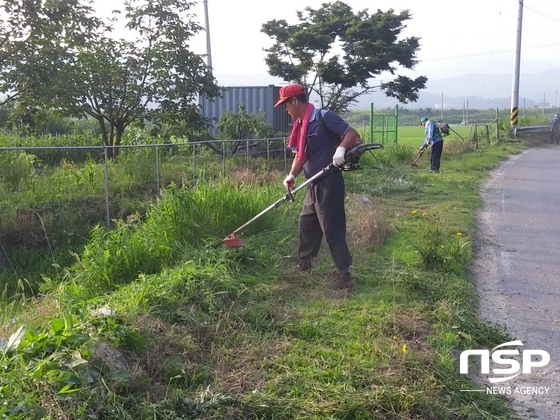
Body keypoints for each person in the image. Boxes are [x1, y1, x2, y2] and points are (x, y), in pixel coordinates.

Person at [274, 83, 361, 290]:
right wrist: (291, 175)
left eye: (286, 105)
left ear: (295, 101)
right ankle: (306, 266)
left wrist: (340, 148)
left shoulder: (322, 117)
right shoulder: (301, 124)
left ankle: (344, 274)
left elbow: (351, 132)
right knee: (306, 225)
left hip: (329, 182)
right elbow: (300, 155)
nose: (286, 110)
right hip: (311, 184)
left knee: (332, 230)